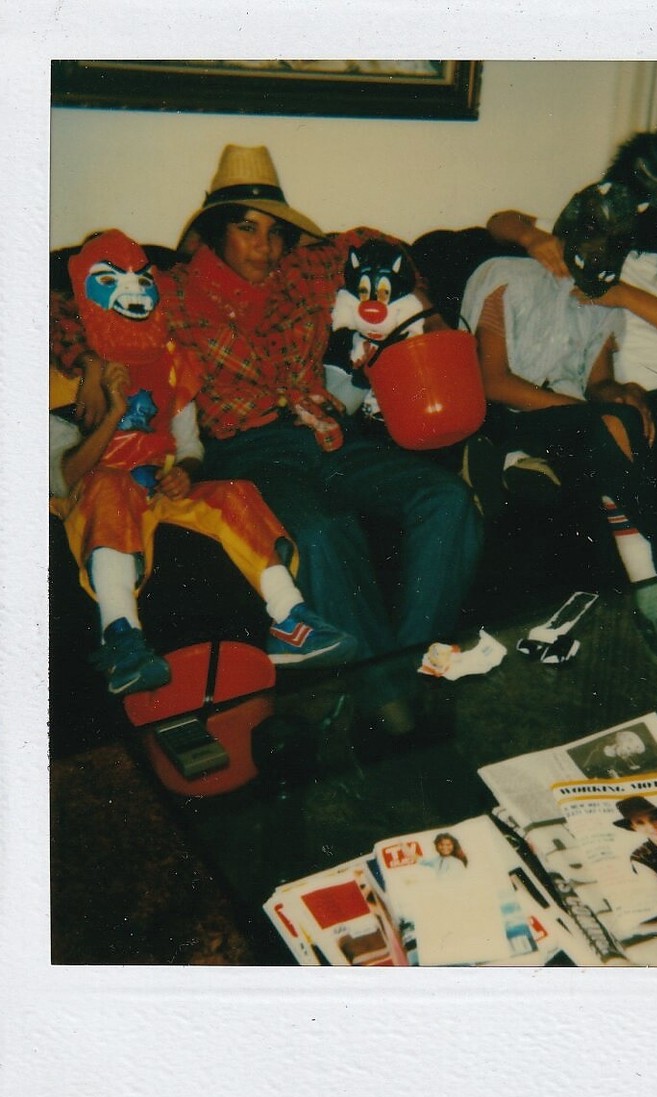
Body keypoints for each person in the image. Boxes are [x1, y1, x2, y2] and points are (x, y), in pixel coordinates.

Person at [51, 145, 483, 739]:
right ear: (212, 234)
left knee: (447, 500)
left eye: (277, 232)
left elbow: (373, 240)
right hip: (246, 451)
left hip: (332, 437)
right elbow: (70, 309)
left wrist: (429, 305)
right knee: (324, 531)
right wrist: (98, 362)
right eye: (248, 229)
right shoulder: (170, 291)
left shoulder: (304, 272)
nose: (267, 246)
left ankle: (406, 672)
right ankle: (392, 713)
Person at [49, 229, 356, 696]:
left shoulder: (171, 361)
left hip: (160, 486)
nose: (133, 290)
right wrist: (111, 412)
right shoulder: (57, 376)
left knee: (236, 493)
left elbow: (190, 444)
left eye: (140, 276)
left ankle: (291, 622)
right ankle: (122, 641)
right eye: (114, 278)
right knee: (109, 491)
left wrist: (185, 472)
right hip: (96, 492)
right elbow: (62, 477)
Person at [487, 131, 657, 664]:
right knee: (623, 423)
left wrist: (621, 295)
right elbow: (503, 225)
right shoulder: (601, 244)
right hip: (617, 392)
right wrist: (534, 237)